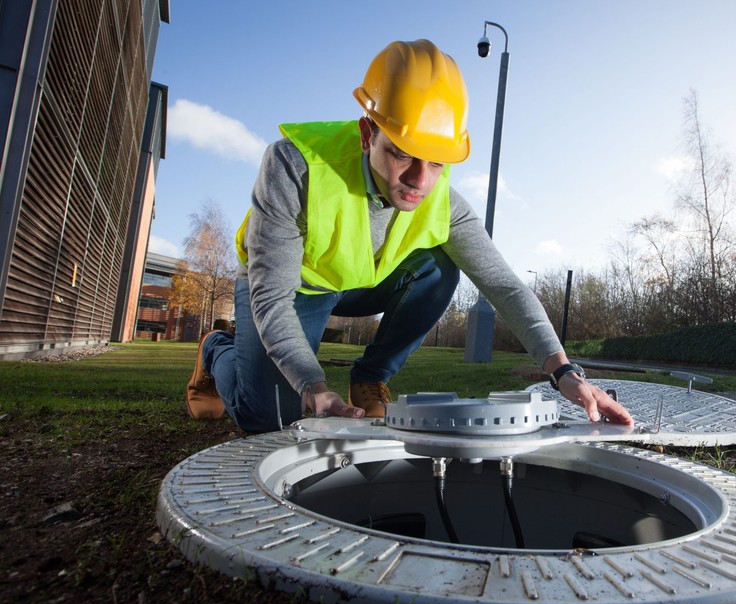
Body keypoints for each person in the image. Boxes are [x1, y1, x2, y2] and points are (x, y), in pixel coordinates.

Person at [185, 39, 631, 432]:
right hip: (290, 286)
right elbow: (271, 299)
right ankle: (216, 350)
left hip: (356, 281)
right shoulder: (293, 167)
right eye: (402, 154)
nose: (420, 179)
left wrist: (564, 372)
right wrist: (313, 386)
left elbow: (504, 285)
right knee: (272, 418)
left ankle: (369, 377)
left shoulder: (444, 204)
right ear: (367, 133)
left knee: (439, 267)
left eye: (437, 161)